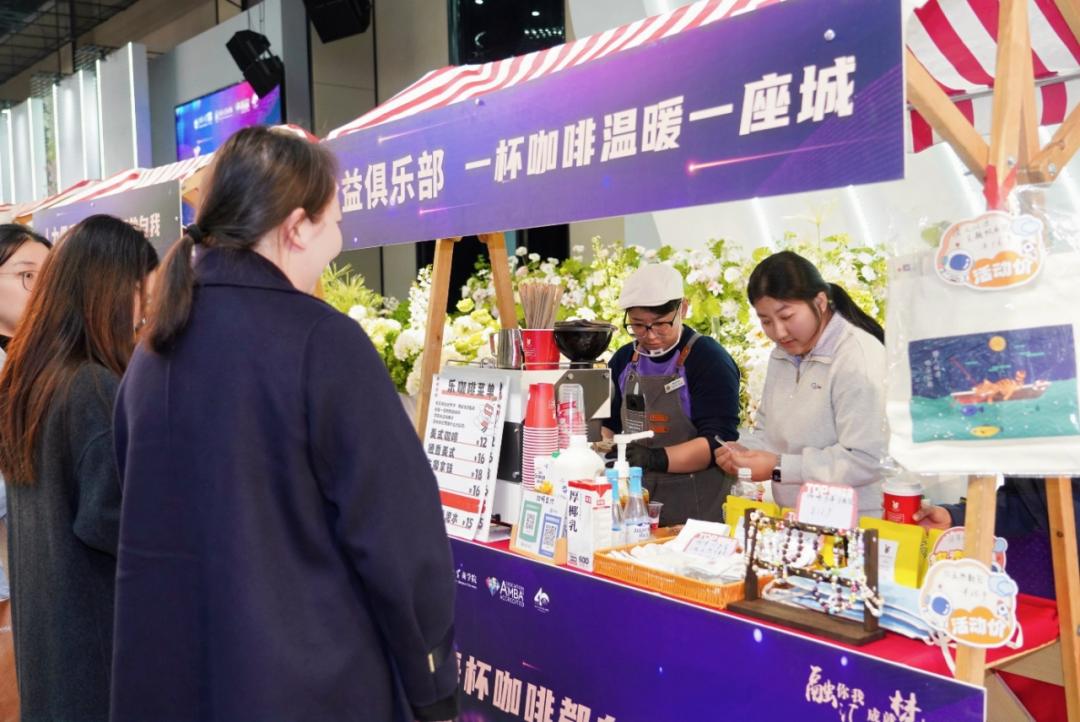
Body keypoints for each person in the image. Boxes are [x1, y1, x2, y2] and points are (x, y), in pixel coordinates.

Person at [111, 126, 458, 722]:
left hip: (172, 681)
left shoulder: (153, 351)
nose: (340, 241)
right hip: (311, 686)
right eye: (336, 222)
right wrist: (433, 685)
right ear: (297, 227)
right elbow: (400, 540)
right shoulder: (321, 341)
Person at [0, 215, 158, 722]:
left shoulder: (28, 381)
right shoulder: (91, 387)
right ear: (107, 291)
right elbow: (114, 522)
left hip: (50, 661)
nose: (144, 312)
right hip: (97, 660)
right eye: (140, 293)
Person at [715, 251, 887, 516]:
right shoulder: (782, 354)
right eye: (766, 321)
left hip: (856, 521)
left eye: (786, 317)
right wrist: (746, 451)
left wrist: (778, 466)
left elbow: (866, 458)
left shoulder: (856, 356)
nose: (779, 332)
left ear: (820, 302)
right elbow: (767, 429)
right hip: (799, 517)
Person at [603, 263, 741, 526]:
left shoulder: (709, 359)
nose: (650, 335)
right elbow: (608, 424)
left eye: (661, 324)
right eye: (638, 325)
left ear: (683, 309)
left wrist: (655, 458)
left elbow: (718, 442)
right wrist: (603, 449)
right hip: (635, 502)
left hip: (697, 507)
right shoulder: (624, 360)